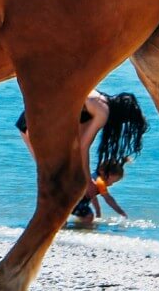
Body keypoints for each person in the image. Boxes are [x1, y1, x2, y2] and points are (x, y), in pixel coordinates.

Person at [16, 90, 148, 226]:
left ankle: (56, 226)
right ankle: (48, 227)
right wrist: (87, 181)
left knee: (55, 179)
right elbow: (82, 147)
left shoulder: (95, 98)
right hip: (38, 122)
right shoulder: (103, 111)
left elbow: (76, 144)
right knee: (55, 178)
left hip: (32, 116)